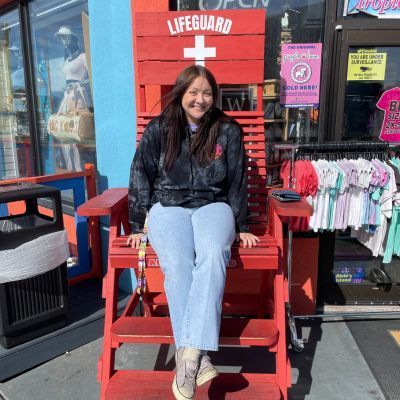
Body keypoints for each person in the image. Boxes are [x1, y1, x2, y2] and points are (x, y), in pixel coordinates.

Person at [127, 65, 259, 400]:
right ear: (181, 93)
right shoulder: (160, 128)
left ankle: (187, 355)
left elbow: (238, 179)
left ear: (215, 96)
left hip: (213, 205)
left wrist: (242, 224)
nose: (200, 100)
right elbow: (140, 172)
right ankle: (197, 358)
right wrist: (137, 222)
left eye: (207, 93)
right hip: (167, 205)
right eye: (193, 92)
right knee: (177, 260)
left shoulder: (227, 129)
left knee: (214, 252)